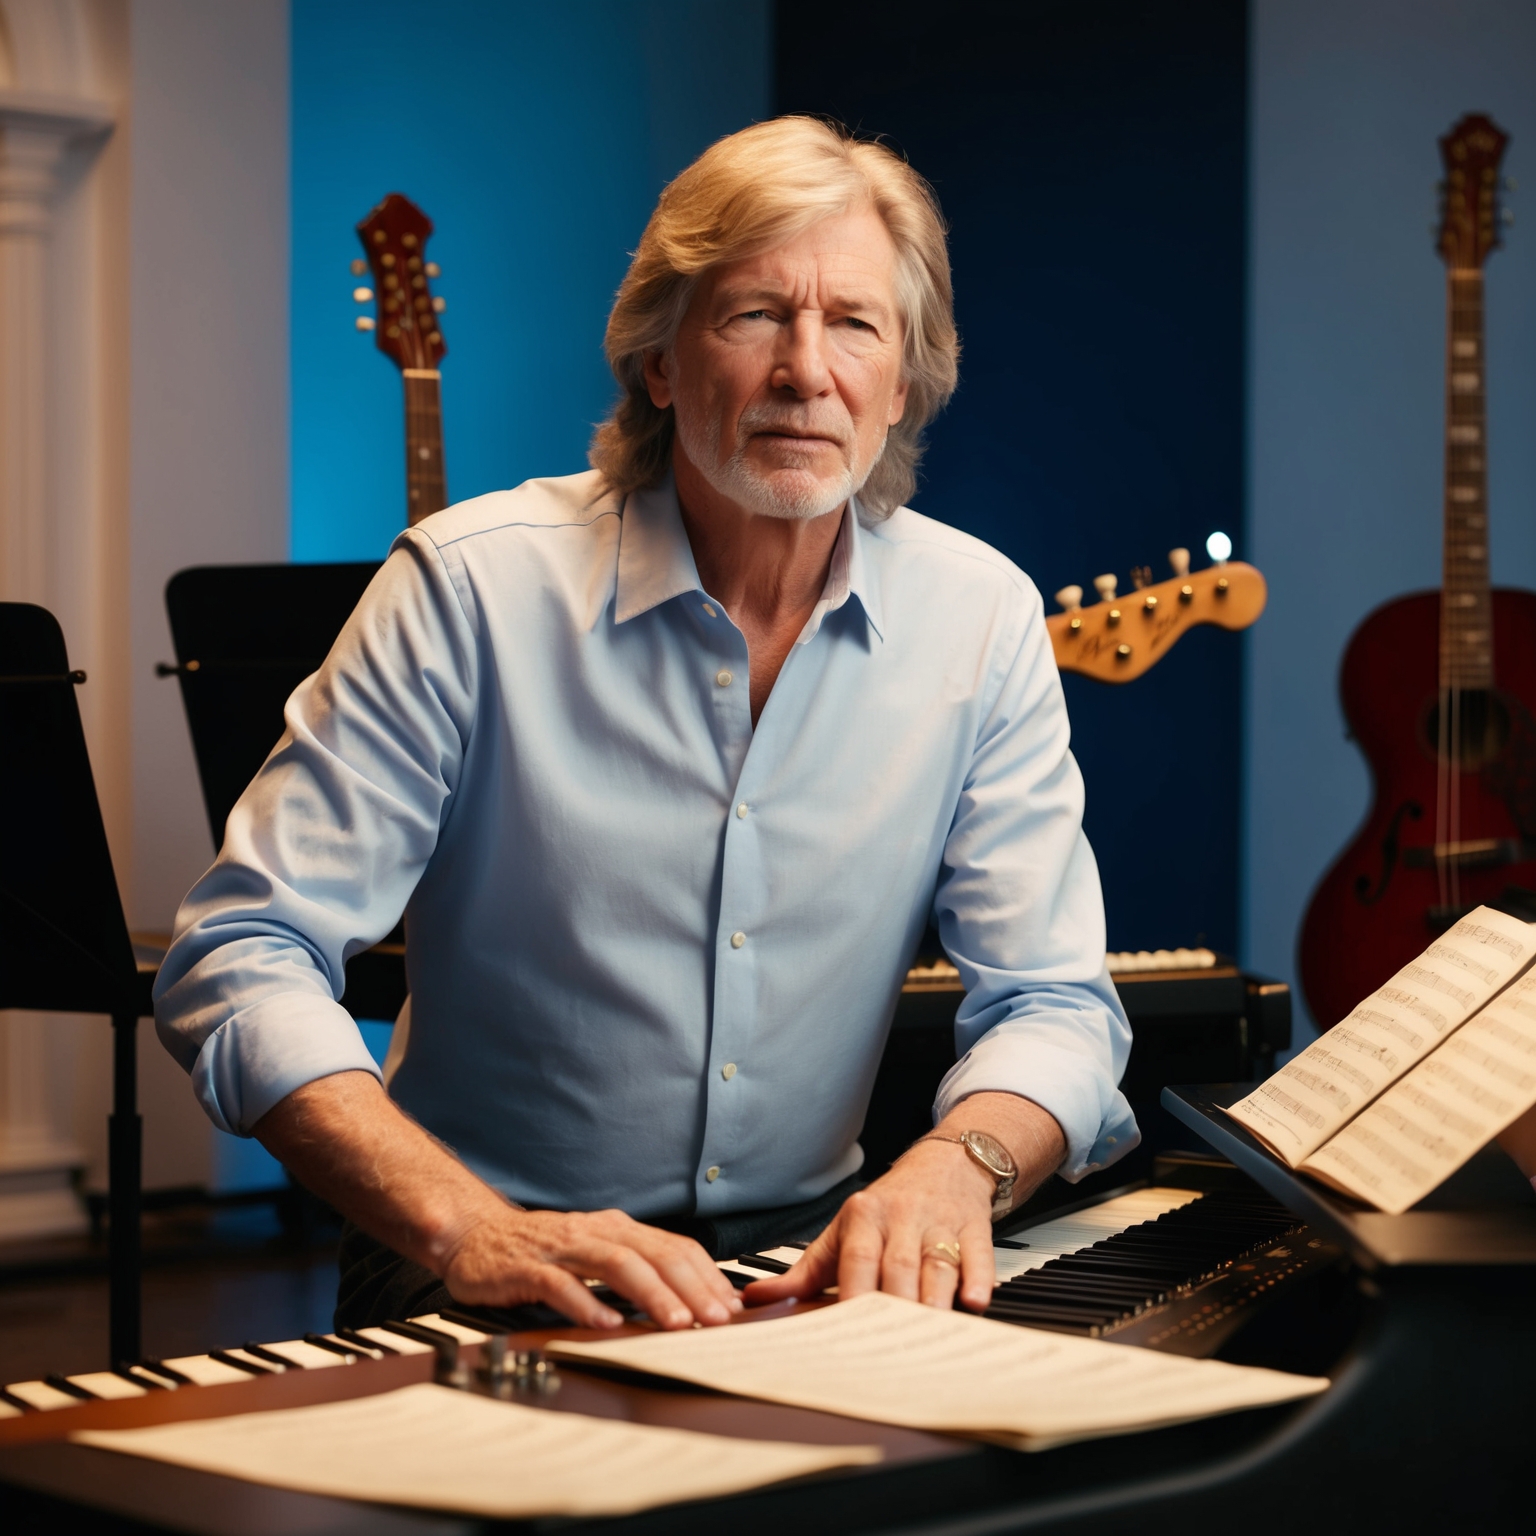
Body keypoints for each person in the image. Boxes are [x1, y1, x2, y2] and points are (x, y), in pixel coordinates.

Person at [154, 117, 1136, 1333]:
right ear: (662, 362)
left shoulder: (980, 615)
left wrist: (954, 1167)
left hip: (806, 1258)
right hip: (485, 1248)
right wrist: (466, 1224)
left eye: (854, 324)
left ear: (900, 385)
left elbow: (1054, 1001)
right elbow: (242, 950)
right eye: (755, 315)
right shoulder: (470, 587)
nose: (805, 371)